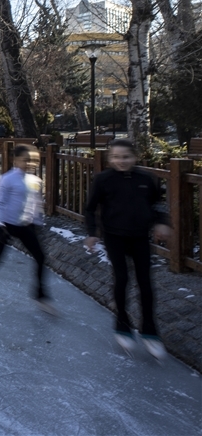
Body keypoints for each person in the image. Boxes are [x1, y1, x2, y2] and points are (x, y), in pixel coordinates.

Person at [84, 139, 169, 358]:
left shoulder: (147, 179)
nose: (121, 161)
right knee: (121, 279)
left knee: (145, 282)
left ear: (135, 157)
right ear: (109, 158)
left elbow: (157, 204)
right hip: (115, 236)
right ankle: (122, 323)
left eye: (126, 157)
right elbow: (91, 208)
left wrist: (161, 222)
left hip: (140, 237)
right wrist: (93, 233)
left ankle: (150, 330)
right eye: (116, 157)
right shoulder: (104, 180)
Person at [0, 145, 57, 316]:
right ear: (16, 160)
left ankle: (40, 296)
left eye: (34, 160)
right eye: (26, 160)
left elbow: (36, 204)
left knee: (40, 257)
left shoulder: (36, 181)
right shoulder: (7, 179)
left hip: (26, 226)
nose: (30, 163)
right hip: (7, 226)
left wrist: (37, 223)